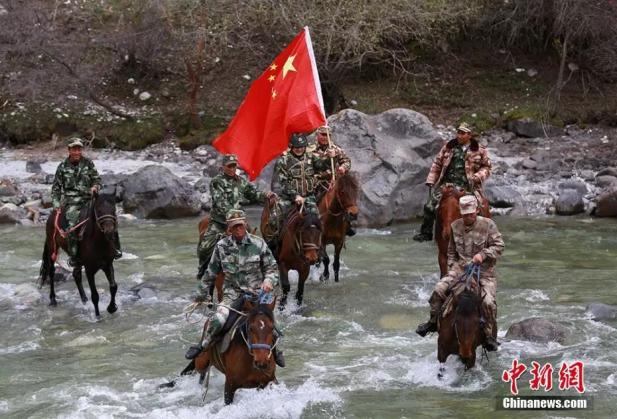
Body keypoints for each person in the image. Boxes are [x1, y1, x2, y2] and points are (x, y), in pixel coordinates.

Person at [186, 209, 285, 367]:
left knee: (270, 325)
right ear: (229, 228)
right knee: (218, 320)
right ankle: (203, 346)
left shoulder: (259, 244)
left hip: (258, 294)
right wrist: (200, 295)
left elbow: (272, 268)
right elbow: (211, 272)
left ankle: (277, 351)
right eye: (234, 226)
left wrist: (268, 281)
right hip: (232, 294)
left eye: (240, 225)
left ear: (245, 224)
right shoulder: (221, 246)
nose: (238, 229)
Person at [415, 195, 504, 351]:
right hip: (459, 270)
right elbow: (451, 252)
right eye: (465, 214)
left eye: (471, 214)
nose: (468, 217)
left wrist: (483, 255)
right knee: (438, 290)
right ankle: (433, 322)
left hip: (484, 273)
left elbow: (499, 246)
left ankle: (489, 335)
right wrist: (452, 268)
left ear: (476, 210)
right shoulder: (455, 226)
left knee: (488, 302)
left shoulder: (488, 225)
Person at [196, 154, 275, 279]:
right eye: (229, 166)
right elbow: (220, 203)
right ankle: (203, 272)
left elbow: (253, 194)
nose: (232, 168)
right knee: (204, 248)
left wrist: (265, 196)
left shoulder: (241, 181)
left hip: (240, 222)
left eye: (234, 166)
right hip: (220, 222)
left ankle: (262, 273)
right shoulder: (217, 182)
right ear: (223, 167)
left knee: (256, 244)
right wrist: (232, 216)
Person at [413, 122, 491, 242]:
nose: (459, 136)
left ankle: (483, 236)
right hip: (447, 185)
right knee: (429, 206)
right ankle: (426, 233)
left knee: (481, 208)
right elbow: (437, 163)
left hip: (468, 186)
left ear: (469, 135)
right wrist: (431, 179)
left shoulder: (480, 150)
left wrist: (477, 176)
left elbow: (487, 167)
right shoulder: (448, 147)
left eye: (463, 133)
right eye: (458, 133)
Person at [51, 137, 121, 266]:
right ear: (69, 150)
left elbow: (97, 180)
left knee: (108, 217)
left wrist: (95, 187)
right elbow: (56, 188)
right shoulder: (62, 167)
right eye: (74, 149)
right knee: (72, 224)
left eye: (79, 149)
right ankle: (74, 256)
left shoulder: (88, 163)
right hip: (71, 202)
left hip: (89, 199)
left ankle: (116, 249)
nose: (77, 152)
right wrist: (56, 204)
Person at [268, 133, 320, 249]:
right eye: (296, 147)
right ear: (291, 147)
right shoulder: (283, 160)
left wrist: (331, 157)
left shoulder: (311, 157)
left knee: (317, 219)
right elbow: (282, 182)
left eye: (301, 147)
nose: (299, 149)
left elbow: (322, 165)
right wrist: (295, 195)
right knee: (274, 218)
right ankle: (274, 243)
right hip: (288, 198)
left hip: (308, 197)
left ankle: (318, 247)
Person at [309, 126, 355, 236]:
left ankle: (347, 224)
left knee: (346, 198)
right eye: (323, 135)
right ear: (317, 135)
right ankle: (309, 225)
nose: (325, 137)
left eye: (328, 135)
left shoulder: (336, 149)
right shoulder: (310, 149)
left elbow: (347, 161)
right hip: (315, 182)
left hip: (332, 181)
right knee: (308, 201)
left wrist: (343, 168)